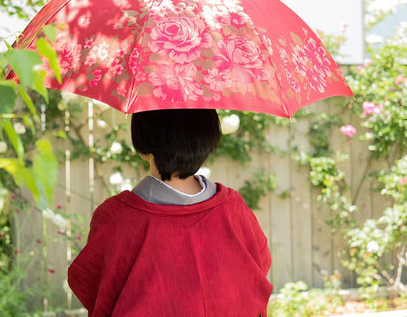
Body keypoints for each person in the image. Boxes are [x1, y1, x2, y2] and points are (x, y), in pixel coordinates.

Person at [67, 108, 273, 316]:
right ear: (208, 137)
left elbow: (93, 286)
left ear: (143, 140)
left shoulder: (116, 217)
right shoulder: (233, 207)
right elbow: (259, 265)